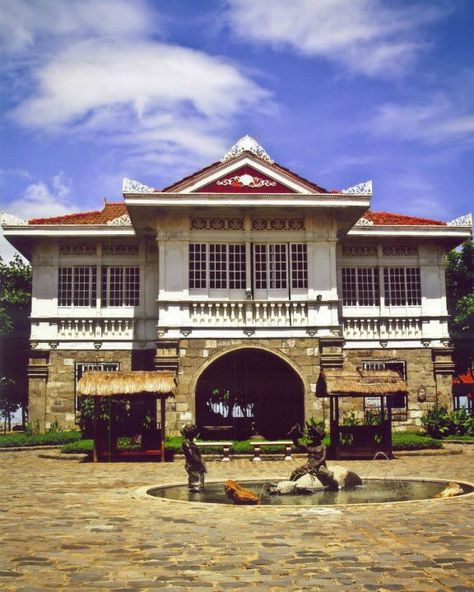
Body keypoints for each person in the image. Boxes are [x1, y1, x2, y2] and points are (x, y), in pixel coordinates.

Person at [288, 422, 339, 490]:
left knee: (328, 475)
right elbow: (298, 444)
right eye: (311, 435)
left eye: (313, 435)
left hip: (320, 466)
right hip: (309, 466)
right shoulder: (309, 445)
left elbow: (323, 458)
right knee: (295, 472)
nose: (311, 437)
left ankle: (335, 486)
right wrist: (293, 436)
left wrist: (316, 465)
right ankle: (289, 484)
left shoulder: (322, 446)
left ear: (318, 436)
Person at [181, 423, 207, 492]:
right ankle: (195, 491)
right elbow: (192, 456)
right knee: (195, 480)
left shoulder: (191, 443)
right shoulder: (186, 443)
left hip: (197, 464)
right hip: (193, 465)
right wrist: (200, 463)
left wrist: (201, 464)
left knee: (199, 479)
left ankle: (197, 489)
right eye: (194, 433)